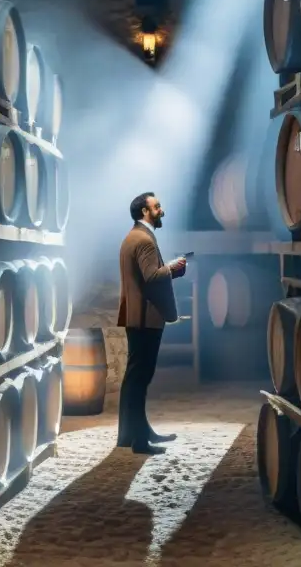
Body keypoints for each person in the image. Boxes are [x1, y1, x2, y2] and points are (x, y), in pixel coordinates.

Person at [116, 191, 187, 454]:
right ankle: (140, 442)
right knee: (140, 379)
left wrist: (165, 266)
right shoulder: (144, 240)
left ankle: (132, 434)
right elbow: (152, 277)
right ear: (145, 212)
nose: (162, 210)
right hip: (147, 318)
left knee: (133, 378)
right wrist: (174, 268)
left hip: (135, 316)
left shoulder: (132, 236)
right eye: (157, 207)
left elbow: (145, 275)